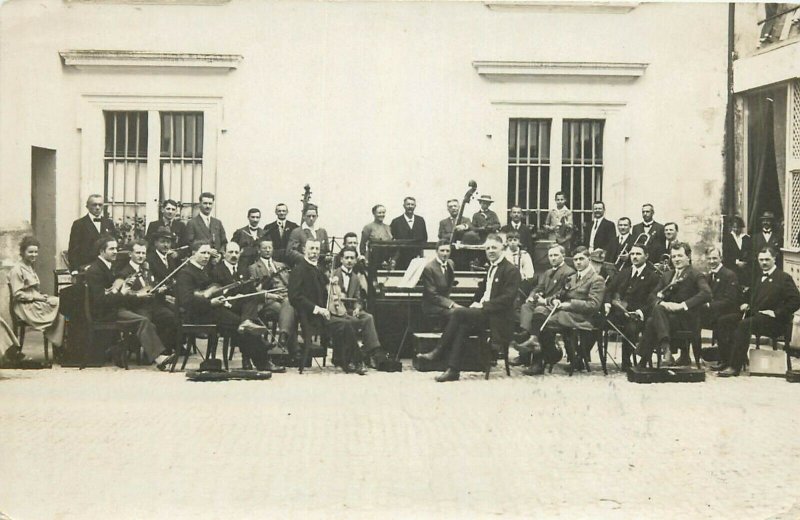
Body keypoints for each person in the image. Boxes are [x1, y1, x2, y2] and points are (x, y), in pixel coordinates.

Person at [416, 234, 520, 382]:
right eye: (487, 248)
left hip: (499, 318)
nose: (490, 251)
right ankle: (453, 370)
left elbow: (507, 299)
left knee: (458, 313)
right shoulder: (491, 268)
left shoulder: (511, 270)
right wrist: (472, 305)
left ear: (502, 248)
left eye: (494, 248)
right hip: (486, 315)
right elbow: (480, 293)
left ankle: (438, 352)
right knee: (462, 325)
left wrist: (483, 306)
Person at [175, 240, 283, 372]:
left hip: (212, 310)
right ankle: (263, 355)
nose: (206, 256)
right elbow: (186, 301)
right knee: (242, 326)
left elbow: (212, 291)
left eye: (208, 253)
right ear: (193, 254)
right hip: (197, 315)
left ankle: (259, 352)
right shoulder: (186, 273)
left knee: (246, 310)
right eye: (202, 253)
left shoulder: (204, 270)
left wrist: (220, 298)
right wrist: (211, 302)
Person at [84, 235, 170, 368]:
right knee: (143, 320)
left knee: (149, 322)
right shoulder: (95, 270)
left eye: (116, 248)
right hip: (106, 312)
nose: (115, 252)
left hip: (116, 307)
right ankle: (159, 358)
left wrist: (126, 290)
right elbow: (100, 300)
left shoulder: (108, 266)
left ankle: (120, 350)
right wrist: (126, 293)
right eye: (111, 249)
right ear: (101, 251)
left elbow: (114, 290)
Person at [517, 247, 604, 375]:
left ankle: (546, 357)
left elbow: (593, 305)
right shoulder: (573, 277)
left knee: (541, 323)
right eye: (575, 260)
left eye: (581, 259)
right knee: (540, 313)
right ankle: (544, 349)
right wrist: (552, 301)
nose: (578, 262)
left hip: (581, 316)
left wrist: (568, 304)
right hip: (565, 312)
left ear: (589, 260)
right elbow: (560, 294)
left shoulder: (596, 279)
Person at [716, 247, 800, 377]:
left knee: (744, 325)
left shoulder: (783, 278)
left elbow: (796, 300)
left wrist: (776, 313)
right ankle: (726, 360)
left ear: (774, 259)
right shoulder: (758, 276)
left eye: (767, 259)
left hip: (775, 322)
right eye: (761, 260)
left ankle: (734, 366)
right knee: (724, 321)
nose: (764, 263)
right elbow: (750, 295)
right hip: (755, 316)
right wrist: (745, 303)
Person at [288, 239, 365, 374]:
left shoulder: (317, 268)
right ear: (304, 250)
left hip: (324, 314)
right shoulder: (299, 269)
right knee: (345, 324)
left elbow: (324, 285)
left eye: (317, 249)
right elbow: (294, 297)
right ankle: (354, 361)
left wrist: (332, 282)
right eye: (311, 249)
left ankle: (344, 359)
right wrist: (318, 309)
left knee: (350, 321)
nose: (315, 252)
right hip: (311, 317)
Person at [635, 241, 711, 367]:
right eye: (674, 256)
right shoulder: (667, 275)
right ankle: (666, 349)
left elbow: (707, 293)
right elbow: (652, 296)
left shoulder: (696, 274)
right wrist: (663, 303)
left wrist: (682, 305)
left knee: (652, 319)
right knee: (656, 312)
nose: (676, 259)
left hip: (686, 319)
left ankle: (648, 358)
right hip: (667, 318)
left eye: (680, 256)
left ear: (688, 256)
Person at [114, 239, 179, 359]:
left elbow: (150, 285)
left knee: (171, 317)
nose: (141, 256)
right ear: (130, 254)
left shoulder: (146, 268)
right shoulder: (124, 272)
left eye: (143, 253)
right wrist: (139, 295)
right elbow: (123, 295)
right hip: (136, 307)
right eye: (137, 253)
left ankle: (161, 351)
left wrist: (158, 290)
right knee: (147, 322)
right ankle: (152, 354)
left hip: (151, 305)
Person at [513, 243, 575, 366]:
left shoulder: (569, 272)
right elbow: (539, 287)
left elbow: (563, 293)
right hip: (543, 304)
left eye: (556, 255)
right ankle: (527, 335)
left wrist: (545, 301)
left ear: (563, 255)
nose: (552, 258)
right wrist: (531, 296)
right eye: (550, 255)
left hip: (556, 306)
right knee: (526, 307)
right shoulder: (547, 272)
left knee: (537, 313)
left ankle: (534, 360)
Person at [334, 247, 395, 370]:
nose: (349, 261)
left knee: (368, 317)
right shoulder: (334, 274)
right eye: (347, 258)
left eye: (352, 258)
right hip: (336, 310)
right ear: (341, 259)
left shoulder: (356, 278)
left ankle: (373, 352)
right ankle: (352, 358)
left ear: (356, 260)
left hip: (350, 310)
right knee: (350, 321)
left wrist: (357, 308)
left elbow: (358, 298)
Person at [604, 244, 661, 369]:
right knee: (596, 322)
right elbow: (609, 290)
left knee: (630, 328)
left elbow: (652, 301)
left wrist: (639, 312)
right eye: (632, 254)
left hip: (638, 316)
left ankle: (627, 362)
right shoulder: (624, 273)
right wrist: (607, 303)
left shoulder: (653, 277)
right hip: (619, 312)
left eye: (638, 254)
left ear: (646, 256)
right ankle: (581, 357)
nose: (634, 257)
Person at [8, 236, 65, 351]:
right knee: (60, 305)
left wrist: (41, 296)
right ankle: (58, 345)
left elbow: (33, 290)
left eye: (36, 252)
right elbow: (18, 294)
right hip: (25, 306)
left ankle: (58, 342)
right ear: (23, 252)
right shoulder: (17, 270)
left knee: (62, 302)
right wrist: (38, 298)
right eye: (30, 252)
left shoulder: (29, 267)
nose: (34, 255)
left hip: (34, 301)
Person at [247, 239, 297, 359]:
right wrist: (271, 295)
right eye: (264, 248)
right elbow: (254, 290)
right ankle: (293, 349)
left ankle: (284, 338)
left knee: (289, 304)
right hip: (268, 300)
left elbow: (290, 284)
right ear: (259, 250)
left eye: (270, 248)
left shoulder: (281, 266)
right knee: (290, 310)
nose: (268, 250)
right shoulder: (253, 268)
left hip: (285, 297)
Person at [701, 247, 740, 349]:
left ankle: (724, 357)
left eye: (714, 258)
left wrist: (709, 305)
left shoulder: (729, 275)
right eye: (709, 259)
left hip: (727, 312)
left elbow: (730, 301)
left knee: (721, 322)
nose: (711, 261)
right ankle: (689, 355)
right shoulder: (708, 276)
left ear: (721, 258)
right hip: (714, 312)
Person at [67, 194, 117, 270]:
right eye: (94, 205)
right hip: (87, 266)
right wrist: (76, 269)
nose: (97, 208)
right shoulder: (79, 224)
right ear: (87, 206)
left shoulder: (109, 223)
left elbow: (114, 244)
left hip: (107, 267)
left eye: (100, 205)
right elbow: (73, 249)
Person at [420, 240, 459, 327]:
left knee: (465, 313)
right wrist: (452, 304)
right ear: (436, 251)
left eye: (447, 251)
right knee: (458, 314)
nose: (445, 253)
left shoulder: (451, 263)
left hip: (445, 304)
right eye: (442, 250)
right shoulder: (428, 268)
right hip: (432, 306)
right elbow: (432, 296)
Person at [389, 196, 428, 270]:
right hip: (401, 259)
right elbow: (392, 240)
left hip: (417, 258)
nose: (410, 206)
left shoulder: (420, 220)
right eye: (408, 204)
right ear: (404, 206)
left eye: (412, 204)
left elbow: (424, 238)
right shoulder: (396, 221)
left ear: (415, 206)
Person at [722, 215, 752, 288]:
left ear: (741, 227)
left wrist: (745, 262)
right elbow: (726, 255)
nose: (736, 229)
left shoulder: (747, 238)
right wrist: (736, 262)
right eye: (734, 227)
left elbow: (750, 253)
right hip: (732, 267)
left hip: (745, 269)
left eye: (738, 227)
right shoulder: (727, 238)